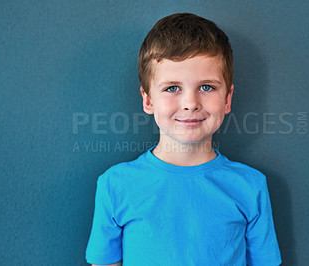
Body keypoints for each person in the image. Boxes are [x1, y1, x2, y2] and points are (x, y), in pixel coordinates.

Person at [85, 13, 282, 266]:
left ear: (227, 99)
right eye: (172, 88)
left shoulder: (250, 186)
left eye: (207, 87)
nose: (190, 103)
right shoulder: (115, 185)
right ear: (148, 100)